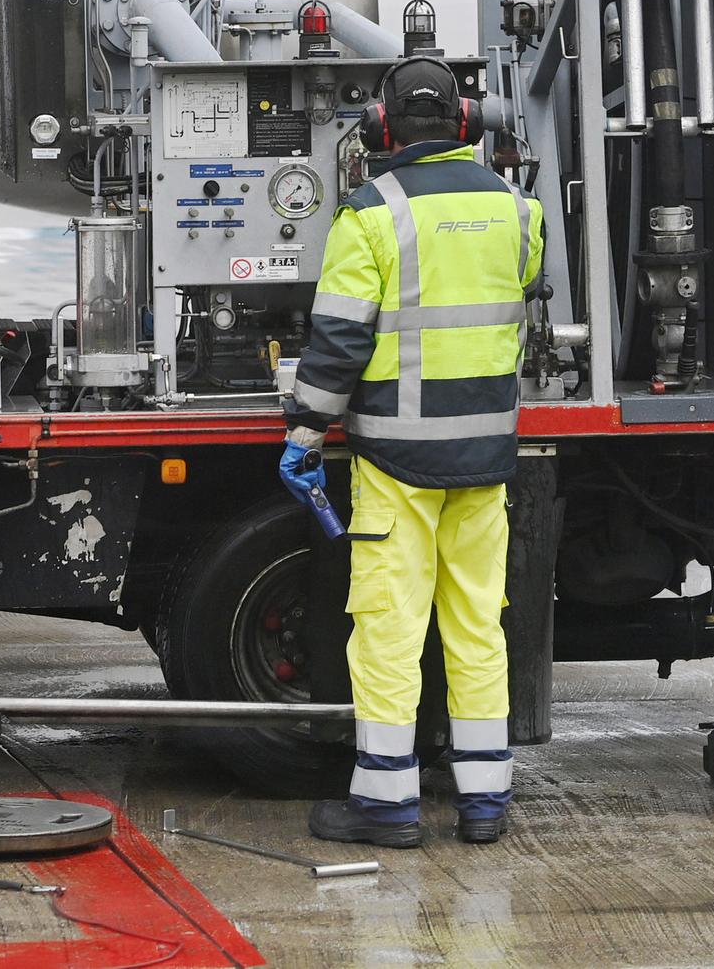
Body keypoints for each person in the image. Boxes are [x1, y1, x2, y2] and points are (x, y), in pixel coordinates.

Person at [278, 56, 543, 848]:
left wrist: (303, 432)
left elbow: (337, 343)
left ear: (381, 128)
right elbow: (518, 294)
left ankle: (388, 806)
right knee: (477, 625)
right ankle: (484, 802)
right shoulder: (518, 212)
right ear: (466, 125)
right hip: (486, 457)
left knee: (389, 628)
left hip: (395, 461)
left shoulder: (370, 215)